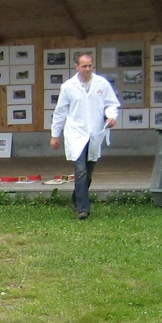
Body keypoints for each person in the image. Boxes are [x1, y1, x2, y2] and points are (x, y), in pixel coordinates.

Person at [50, 52, 120, 220]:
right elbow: (60, 112)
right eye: (84, 66)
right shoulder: (68, 86)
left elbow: (111, 104)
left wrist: (111, 117)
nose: (87, 69)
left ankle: (76, 198)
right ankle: (83, 209)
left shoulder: (101, 83)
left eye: (90, 66)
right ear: (77, 67)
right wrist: (55, 135)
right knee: (80, 170)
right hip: (76, 132)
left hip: (95, 132)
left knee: (88, 173)